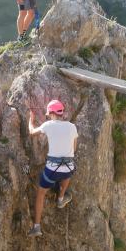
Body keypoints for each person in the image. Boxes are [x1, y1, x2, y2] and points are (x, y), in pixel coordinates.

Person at [28, 100, 78, 237]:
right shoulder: (72, 127)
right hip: (68, 168)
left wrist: (30, 120)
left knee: (41, 194)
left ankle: (37, 227)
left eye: (48, 114)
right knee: (67, 173)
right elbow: (74, 149)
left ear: (51, 113)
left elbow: (32, 132)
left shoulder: (48, 125)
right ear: (61, 112)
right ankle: (61, 199)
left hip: (52, 170)